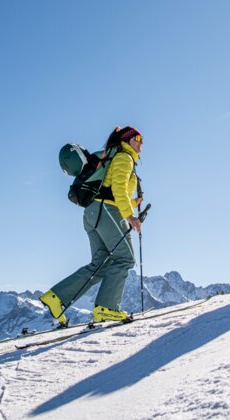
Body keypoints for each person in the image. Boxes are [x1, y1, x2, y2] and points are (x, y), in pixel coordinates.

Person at [40, 126, 144, 325]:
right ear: (128, 140)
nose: (141, 143)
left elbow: (110, 191)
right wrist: (130, 216)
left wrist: (131, 204)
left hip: (92, 212)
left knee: (101, 264)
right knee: (125, 259)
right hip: (106, 211)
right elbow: (119, 189)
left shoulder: (114, 157)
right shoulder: (124, 157)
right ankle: (107, 308)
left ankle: (56, 298)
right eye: (138, 138)